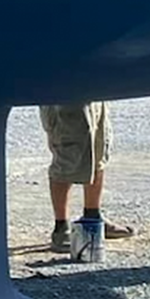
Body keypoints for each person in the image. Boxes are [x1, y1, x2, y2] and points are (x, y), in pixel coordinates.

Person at [39, 103, 133, 252]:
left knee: (98, 151)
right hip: (64, 95)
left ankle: (93, 217)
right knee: (66, 157)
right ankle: (61, 227)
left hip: (93, 92)